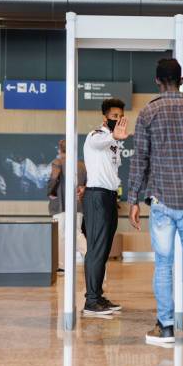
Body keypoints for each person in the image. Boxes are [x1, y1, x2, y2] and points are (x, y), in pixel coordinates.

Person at [128, 58, 183, 345]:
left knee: (164, 264)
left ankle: (165, 326)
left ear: (157, 81)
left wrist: (132, 199)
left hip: (162, 201)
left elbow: (139, 161)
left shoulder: (148, 113)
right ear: (182, 79)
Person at [82, 98, 129, 316]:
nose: (118, 120)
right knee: (96, 250)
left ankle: (98, 296)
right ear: (105, 118)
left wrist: (116, 140)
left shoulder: (114, 143)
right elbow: (99, 143)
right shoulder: (96, 136)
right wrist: (113, 135)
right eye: (114, 117)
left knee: (104, 250)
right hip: (96, 197)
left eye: (120, 116)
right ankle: (91, 301)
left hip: (109, 198)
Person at [47, 139, 87, 272]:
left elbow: (54, 178)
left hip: (60, 205)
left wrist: (50, 191)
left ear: (60, 149)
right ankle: (89, 258)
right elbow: (87, 184)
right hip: (78, 205)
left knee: (60, 235)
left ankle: (62, 265)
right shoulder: (82, 165)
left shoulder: (57, 162)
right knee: (77, 233)